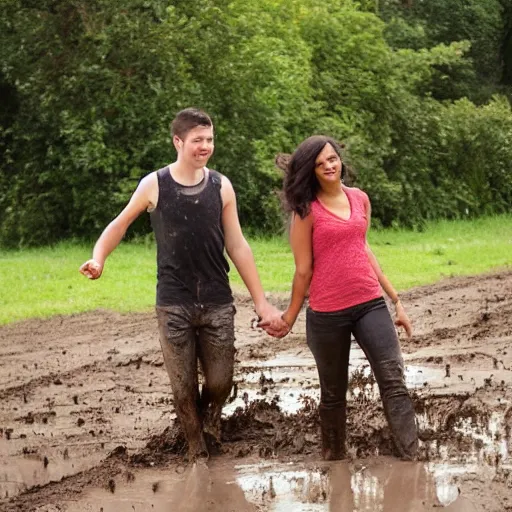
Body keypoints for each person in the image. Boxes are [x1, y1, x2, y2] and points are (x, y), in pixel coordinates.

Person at [79, 107, 286, 462]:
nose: (205, 146)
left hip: (218, 300)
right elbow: (119, 224)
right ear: (178, 142)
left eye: (209, 139)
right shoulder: (154, 184)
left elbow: (237, 245)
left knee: (220, 382)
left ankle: (210, 420)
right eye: (197, 140)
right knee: (183, 386)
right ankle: (196, 449)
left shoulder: (222, 186)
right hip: (173, 302)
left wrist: (261, 302)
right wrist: (99, 258)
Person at [264, 135, 418, 460]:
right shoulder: (306, 212)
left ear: (340, 159)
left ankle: (412, 457)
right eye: (320, 164)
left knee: (393, 380)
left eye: (332, 159)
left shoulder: (360, 198)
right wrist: (290, 318)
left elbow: (363, 248)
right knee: (333, 395)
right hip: (327, 314)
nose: (329, 166)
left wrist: (396, 299)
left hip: (370, 304)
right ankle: (334, 464)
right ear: (312, 172)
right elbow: (303, 270)